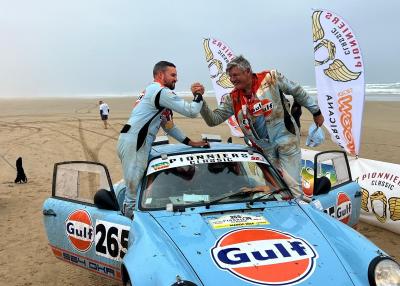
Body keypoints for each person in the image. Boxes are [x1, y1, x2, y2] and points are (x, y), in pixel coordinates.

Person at [199, 55, 324, 199]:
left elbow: (297, 91)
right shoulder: (232, 98)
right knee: (276, 190)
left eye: (235, 75)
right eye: (230, 76)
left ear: (247, 71)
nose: (232, 80)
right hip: (264, 150)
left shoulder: (271, 78)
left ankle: (301, 214)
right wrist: (201, 102)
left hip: (286, 141)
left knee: (293, 187)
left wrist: (316, 111)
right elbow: (213, 120)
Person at [117, 60, 208, 218]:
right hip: (136, 142)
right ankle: (130, 230)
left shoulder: (151, 91)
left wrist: (191, 143)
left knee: (137, 188)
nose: (176, 79)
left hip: (131, 140)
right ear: (160, 75)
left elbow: (168, 126)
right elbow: (192, 111)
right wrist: (198, 95)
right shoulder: (161, 92)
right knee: (132, 194)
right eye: (173, 75)